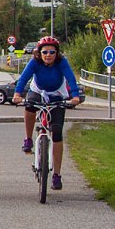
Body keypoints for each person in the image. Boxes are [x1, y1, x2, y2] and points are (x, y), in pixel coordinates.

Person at [11, 35, 83, 190]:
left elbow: (71, 78)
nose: (48, 55)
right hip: (37, 91)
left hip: (57, 94)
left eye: (52, 52)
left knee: (57, 132)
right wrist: (17, 94)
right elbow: (23, 78)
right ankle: (28, 139)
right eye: (45, 52)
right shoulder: (34, 62)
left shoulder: (62, 63)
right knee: (29, 106)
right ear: (39, 53)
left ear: (57, 53)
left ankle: (57, 175)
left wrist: (75, 96)